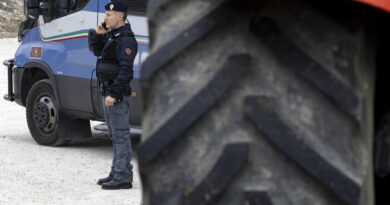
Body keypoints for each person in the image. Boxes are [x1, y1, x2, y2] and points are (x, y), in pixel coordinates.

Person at [88, 0, 137, 190]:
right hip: (107, 89)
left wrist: (114, 94)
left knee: (121, 135)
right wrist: (98, 35)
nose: (105, 17)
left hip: (116, 93)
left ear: (119, 16)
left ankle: (123, 176)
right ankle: (117, 171)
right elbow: (98, 52)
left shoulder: (126, 39)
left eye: (109, 15)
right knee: (114, 134)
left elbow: (126, 71)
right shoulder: (113, 35)